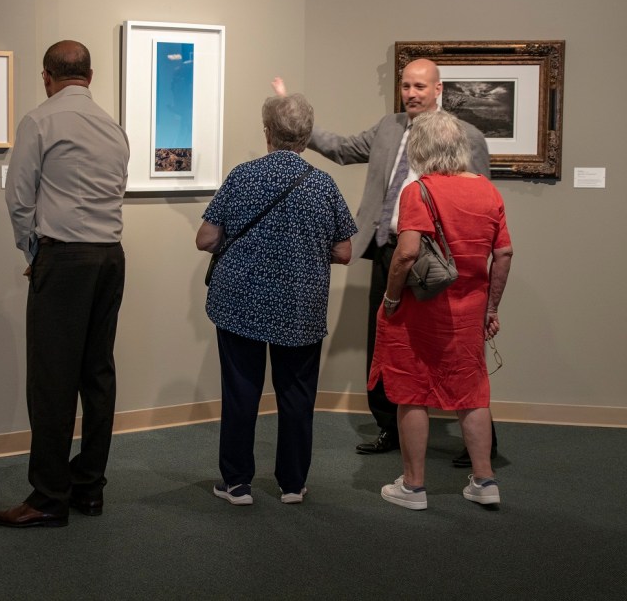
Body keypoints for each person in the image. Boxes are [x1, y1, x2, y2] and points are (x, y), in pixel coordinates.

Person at [273, 59, 496, 463]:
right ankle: (388, 427)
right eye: (407, 86)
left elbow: (478, 201)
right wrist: (288, 110)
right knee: (385, 341)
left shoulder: (465, 136)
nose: (412, 93)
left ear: (438, 89)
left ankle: (480, 442)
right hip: (388, 249)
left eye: (420, 87)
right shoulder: (389, 127)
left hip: (438, 256)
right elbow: (341, 149)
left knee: (454, 344)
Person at [0, 40, 129, 528]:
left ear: (47, 76)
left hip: (64, 258)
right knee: (97, 374)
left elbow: (18, 198)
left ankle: (48, 497)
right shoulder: (113, 126)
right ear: (90, 76)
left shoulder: (40, 120)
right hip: (110, 258)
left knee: (52, 380)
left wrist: (33, 251)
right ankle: (89, 487)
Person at [196, 93, 357, 505]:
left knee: (240, 391)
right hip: (300, 305)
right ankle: (292, 484)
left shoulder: (242, 176)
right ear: (305, 137)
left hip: (240, 303)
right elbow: (344, 252)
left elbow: (206, 238)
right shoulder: (323, 185)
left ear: (267, 133)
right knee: (297, 396)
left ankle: (236, 483)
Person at [374, 110, 512, 510]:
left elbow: (407, 254)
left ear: (420, 149)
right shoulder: (488, 191)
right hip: (469, 311)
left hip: (422, 309)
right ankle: (485, 481)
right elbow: (503, 254)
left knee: (412, 391)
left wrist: (392, 298)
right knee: (471, 393)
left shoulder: (418, 191)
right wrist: (492, 308)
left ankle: (414, 487)